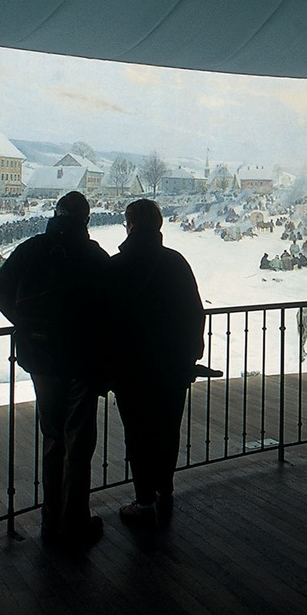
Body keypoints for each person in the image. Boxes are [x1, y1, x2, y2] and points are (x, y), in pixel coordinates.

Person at [0, 191, 110, 549]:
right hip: (83, 359)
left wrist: (27, 324)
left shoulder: (32, 249)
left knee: (53, 436)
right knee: (79, 440)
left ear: (56, 214)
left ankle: (49, 520)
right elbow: (112, 308)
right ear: (85, 221)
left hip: (41, 357)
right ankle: (74, 521)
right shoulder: (94, 256)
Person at [108, 199, 205, 528]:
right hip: (173, 365)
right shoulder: (177, 262)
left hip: (131, 367)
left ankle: (144, 499)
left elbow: (105, 319)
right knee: (168, 428)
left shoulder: (118, 265)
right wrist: (191, 354)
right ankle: (165, 486)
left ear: (130, 224)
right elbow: (194, 312)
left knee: (138, 432)